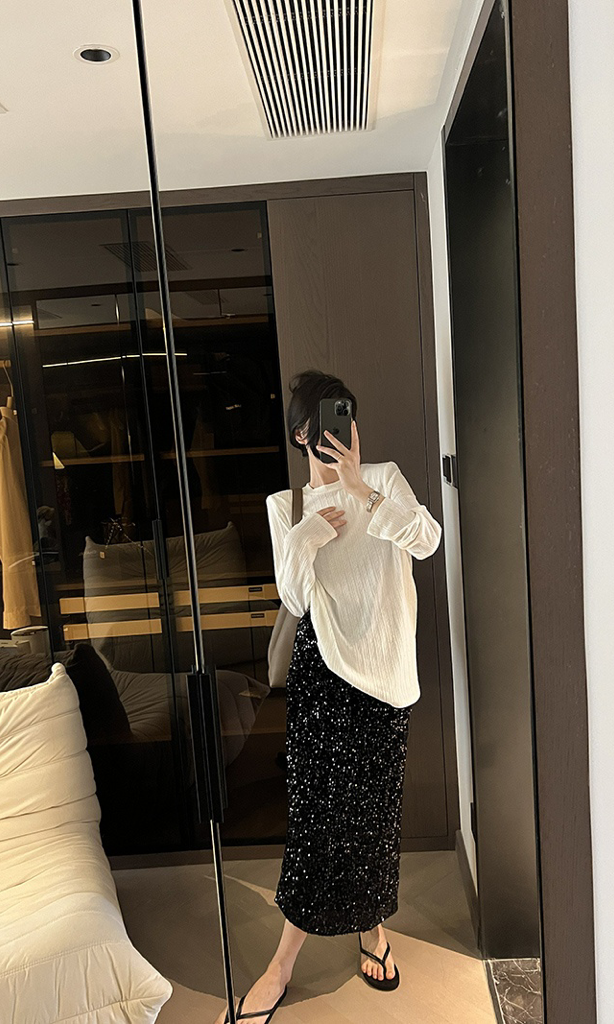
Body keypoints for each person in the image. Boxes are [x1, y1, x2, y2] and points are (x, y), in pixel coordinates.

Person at [216, 370, 442, 1024]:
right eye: (324, 429)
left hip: (387, 675)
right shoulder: (285, 505)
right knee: (319, 823)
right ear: (301, 435)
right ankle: (282, 964)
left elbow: (426, 541)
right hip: (324, 676)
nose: (340, 437)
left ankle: (373, 929)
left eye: (347, 420)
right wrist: (309, 532)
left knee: (374, 816)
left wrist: (362, 493)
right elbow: (292, 596)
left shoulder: (385, 480)